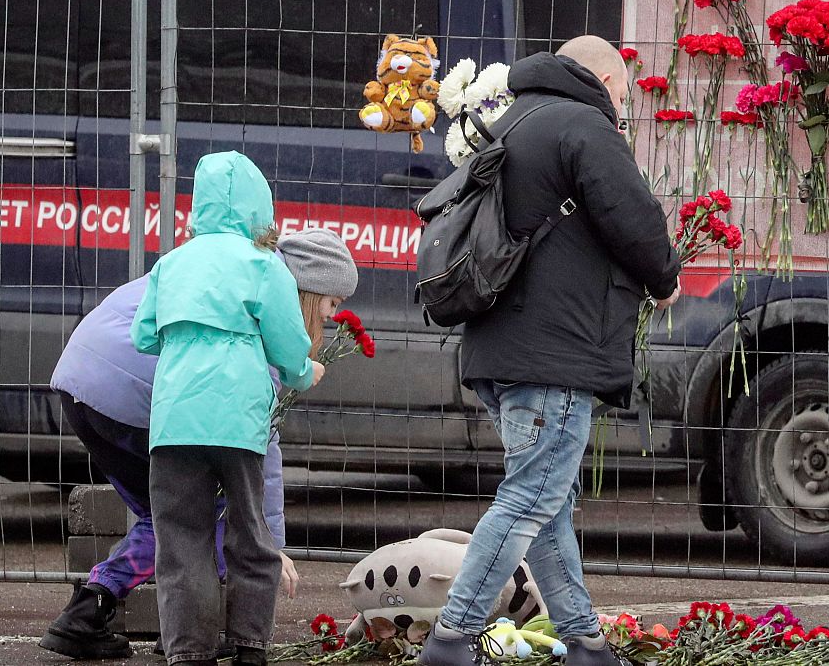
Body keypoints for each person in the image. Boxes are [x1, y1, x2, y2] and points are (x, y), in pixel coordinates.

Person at [419, 36, 681, 666]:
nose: (621, 108)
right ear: (607, 82)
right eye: (622, 95)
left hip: (502, 348)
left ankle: (585, 643)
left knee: (546, 503)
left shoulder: (512, 118)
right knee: (532, 497)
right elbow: (635, 218)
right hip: (554, 354)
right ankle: (452, 639)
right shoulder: (584, 125)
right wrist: (665, 279)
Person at [40, 225, 359, 660]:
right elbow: (259, 435)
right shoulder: (264, 300)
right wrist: (270, 543)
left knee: (168, 518)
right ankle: (201, 633)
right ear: (308, 290)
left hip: (80, 383)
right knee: (199, 515)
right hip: (129, 396)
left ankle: (90, 613)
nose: (330, 316)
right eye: (331, 303)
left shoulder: (227, 263)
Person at [132, 151, 332, 666]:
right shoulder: (263, 264)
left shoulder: (171, 263)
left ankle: (188, 651)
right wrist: (306, 373)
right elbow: (288, 348)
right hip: (238, 420)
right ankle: (249, 645)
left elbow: (143, 335)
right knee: (251, 534)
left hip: (175, 419)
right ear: (256, 208)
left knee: (181, 541)